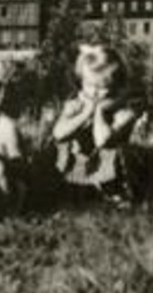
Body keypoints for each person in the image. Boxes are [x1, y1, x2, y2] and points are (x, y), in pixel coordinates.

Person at [51, 42, 141, 202]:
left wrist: (98, 111)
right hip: (77, 169)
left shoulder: (124, 113)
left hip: (109, 173)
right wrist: (84, 114)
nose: (95, 92)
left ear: (117, 87)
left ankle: (113, 196)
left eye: (102, 87)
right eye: (89, 85)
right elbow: (58, 134)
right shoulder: (76, 105)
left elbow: (102, 140)